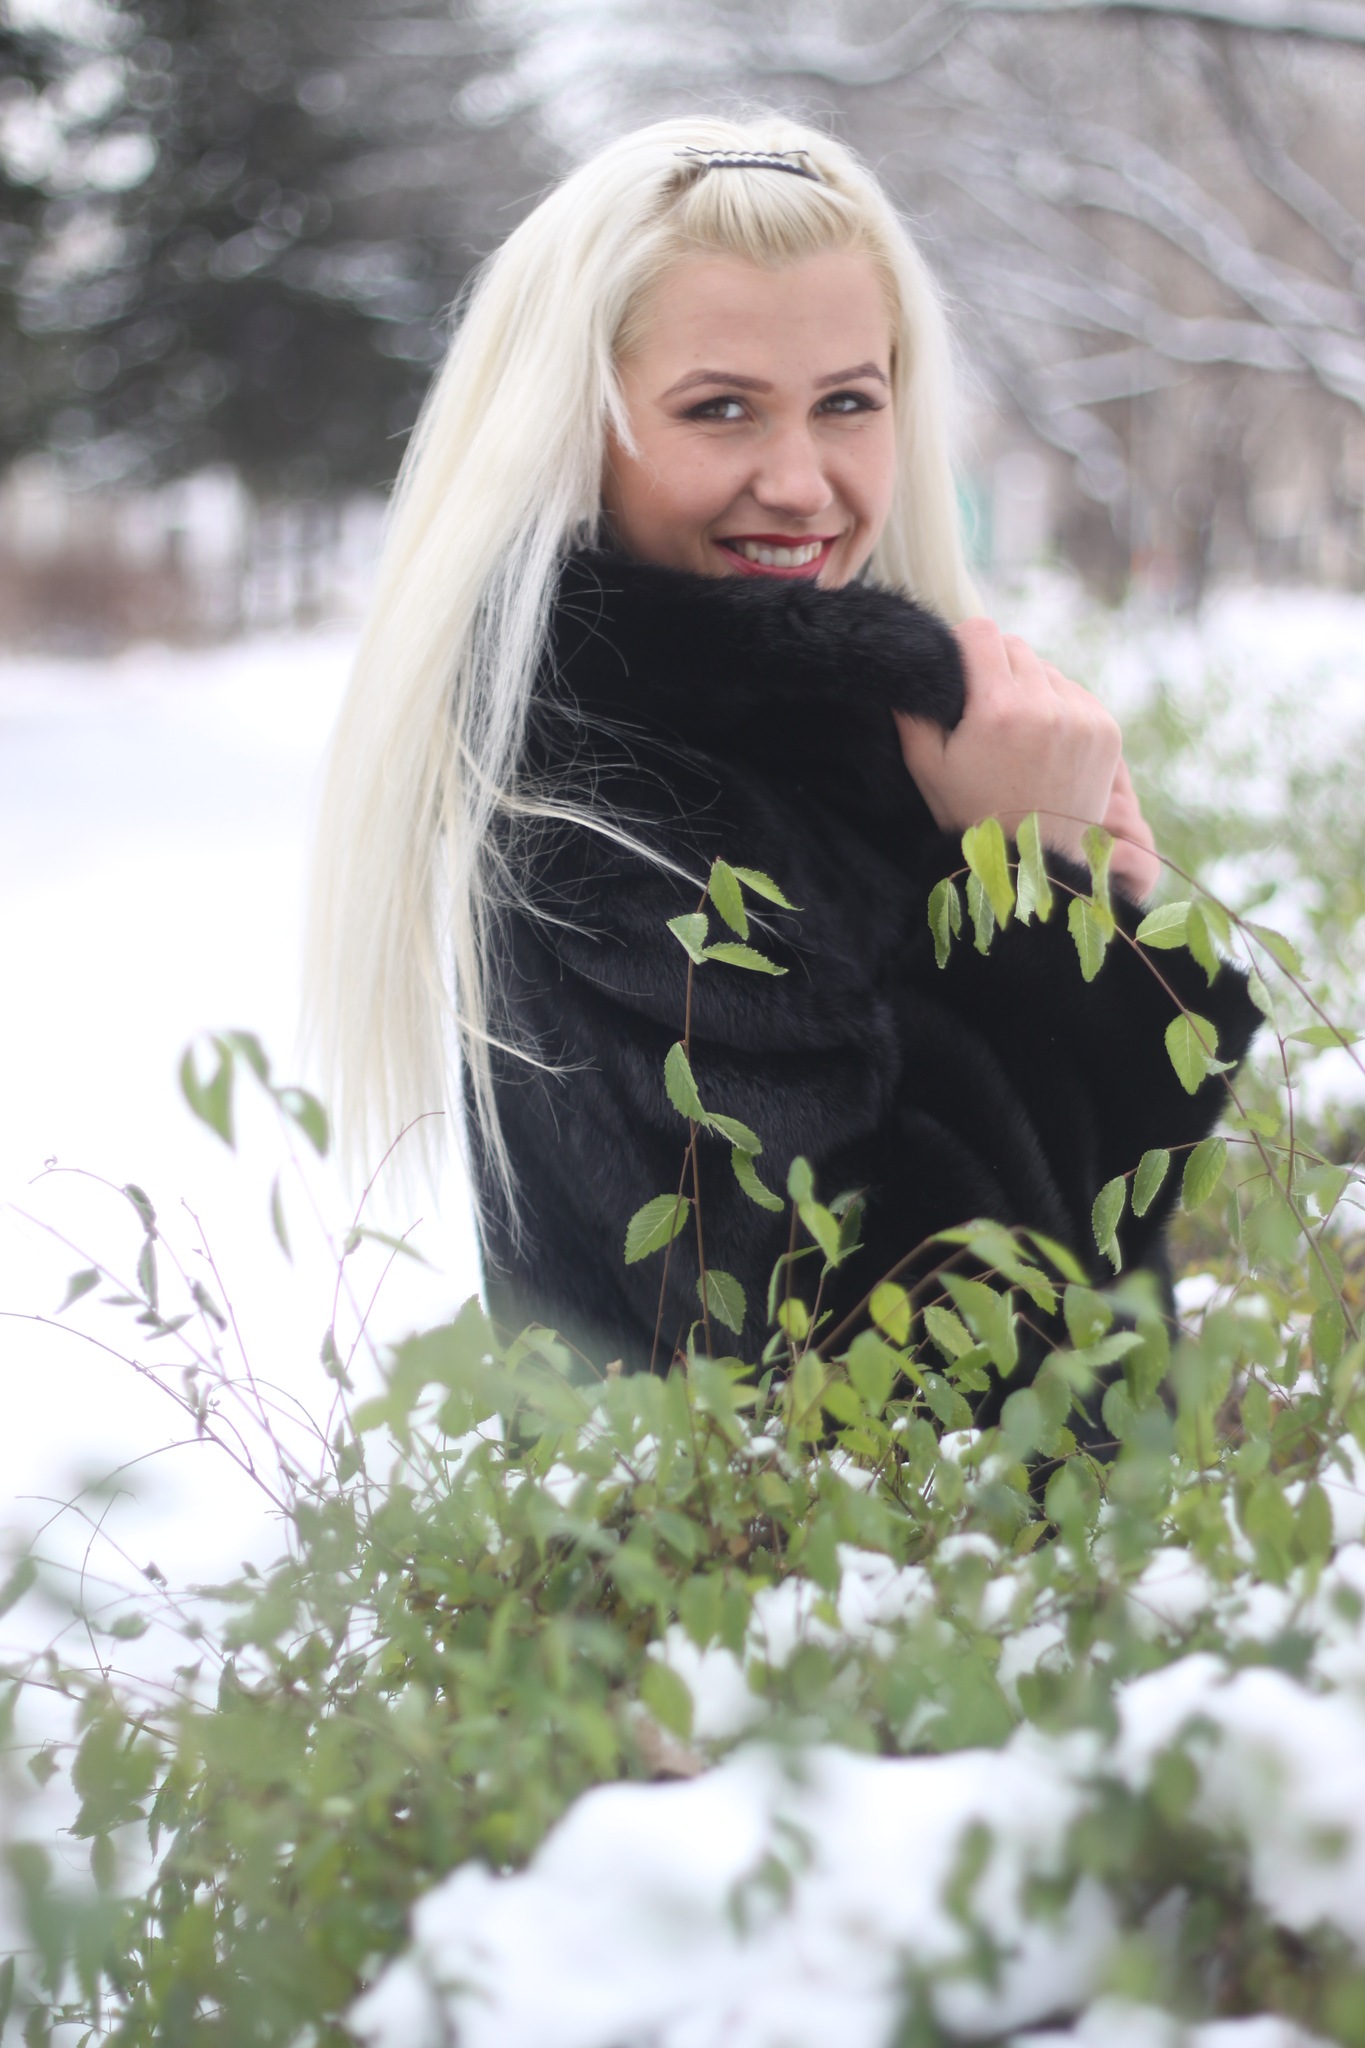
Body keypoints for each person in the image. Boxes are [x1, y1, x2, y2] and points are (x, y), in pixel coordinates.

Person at [308, 116, 1259, 1389]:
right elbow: (873, 1399)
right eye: (721, 408)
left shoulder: (864, 747)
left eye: (847, 402)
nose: (803, 482)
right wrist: (1033, 906)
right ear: (573, 432)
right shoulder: (608, 813)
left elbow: (1083, 1304)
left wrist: (1064, 897)